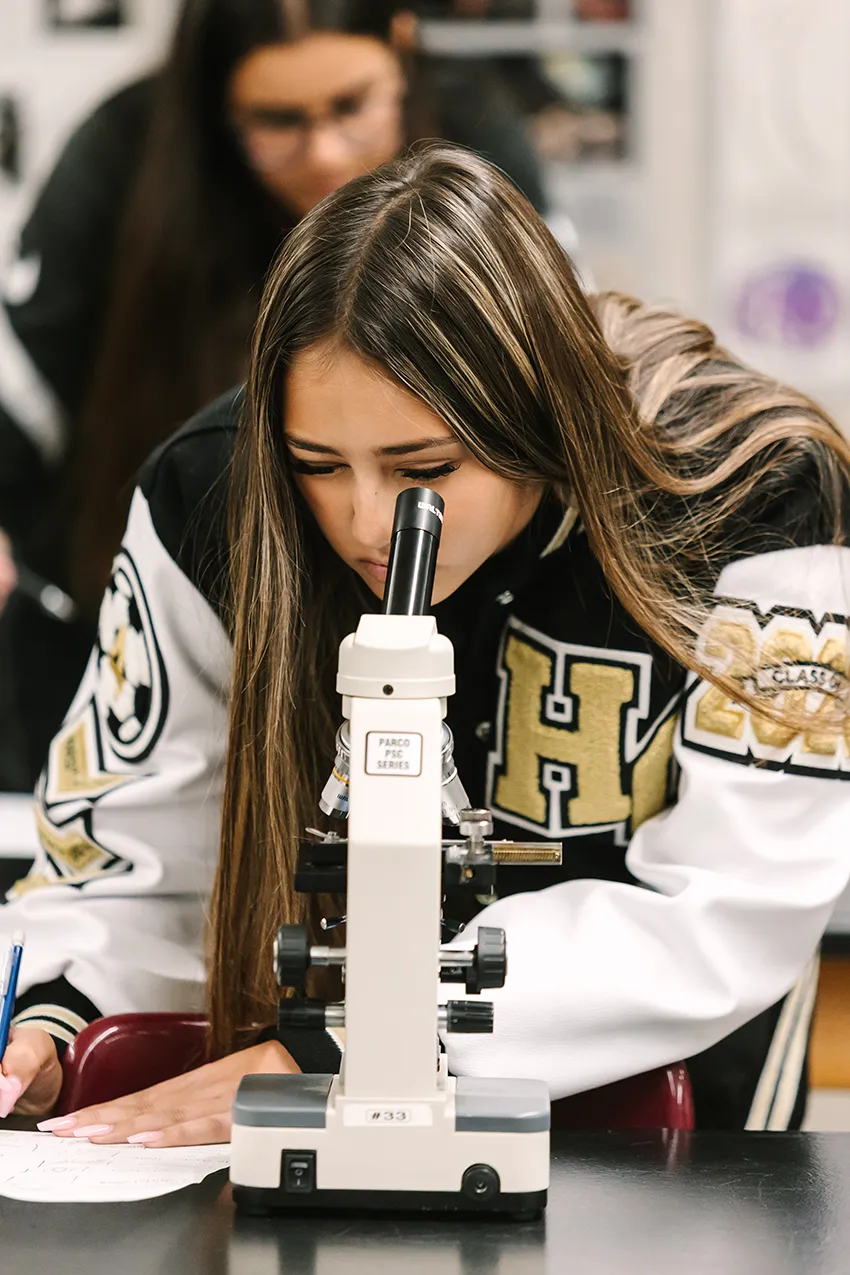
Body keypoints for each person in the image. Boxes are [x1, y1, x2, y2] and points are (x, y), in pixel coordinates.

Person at [2, 145, 849, 1139]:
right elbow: (133, 847)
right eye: (318, 464)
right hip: (313, 1092)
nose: (367, 522)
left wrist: (370, 1040)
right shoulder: (211, 493)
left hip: (677, 1127)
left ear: (539, 414)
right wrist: (50, 1019)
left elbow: (732, 904)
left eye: (424, 467)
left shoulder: (755, 494)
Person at [0, 0, 545, 792]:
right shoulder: (128, 149)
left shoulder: (475, 134)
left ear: (401, 47)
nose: (324, 152)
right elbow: (20, 384)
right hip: (150, 596)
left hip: (432, 621)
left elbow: (556, 368)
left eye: (352, 106)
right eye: (277, 121)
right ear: (218, 99)